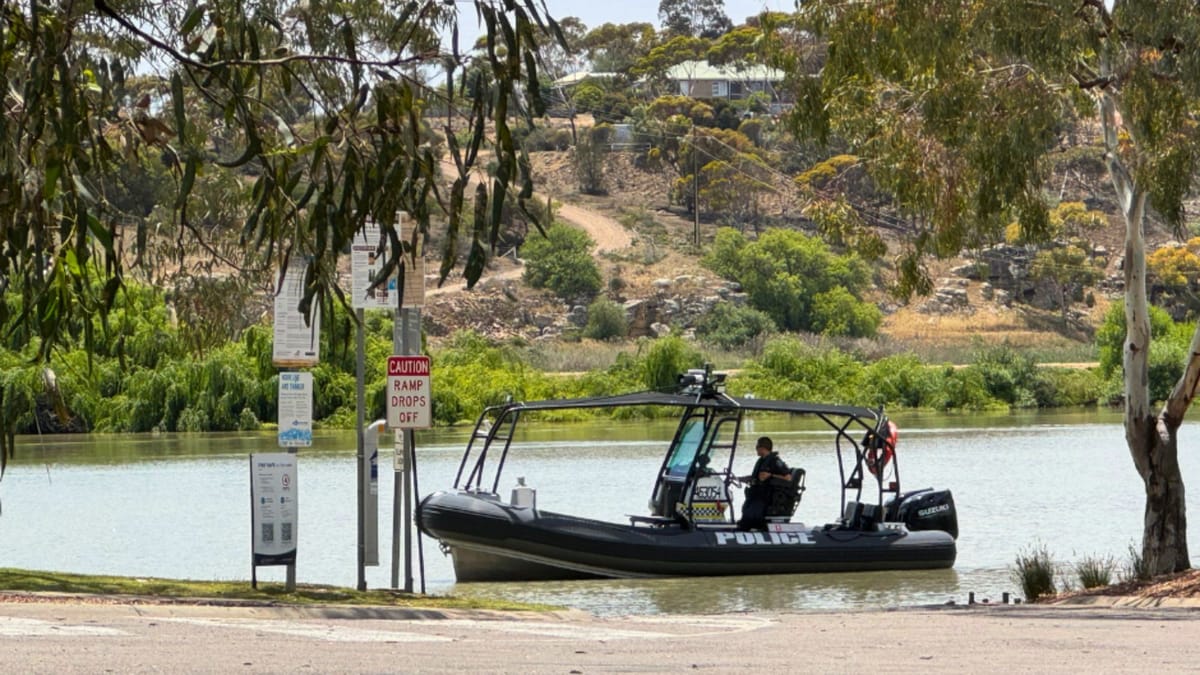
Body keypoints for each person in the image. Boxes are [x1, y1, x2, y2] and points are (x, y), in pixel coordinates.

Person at [737, 436, 791, 531]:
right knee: (747, 508)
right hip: (756, 493)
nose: (756, 449)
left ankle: (751, 526)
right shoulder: (761, 460)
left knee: (752, 511)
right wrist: (742, 479)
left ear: (762, 448)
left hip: (766, 495)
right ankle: (744, 525)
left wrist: (770, 475)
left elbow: (788, 477)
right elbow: (756, 477)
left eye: (757, 446)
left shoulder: (775, 461)